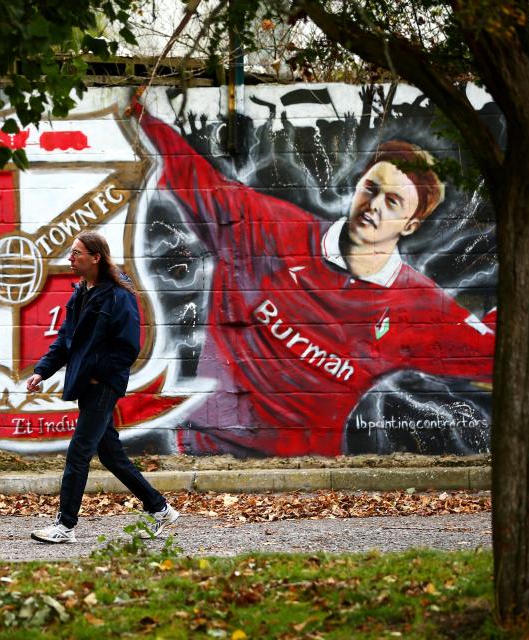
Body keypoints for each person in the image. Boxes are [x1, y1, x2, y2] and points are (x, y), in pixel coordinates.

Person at [129, 96, 496, 458]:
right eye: (372, 188)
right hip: (202, 446)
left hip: (310, 465)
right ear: (358, 184)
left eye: (393, 203)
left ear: (412, 223)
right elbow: (191, 174)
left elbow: (493, 352)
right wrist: (135, 110)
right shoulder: (265, 227)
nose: (374, 206)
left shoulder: (418, 304)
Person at [26, 230, 180, 543]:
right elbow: (65, 340)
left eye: (76, 253)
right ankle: (160, 508)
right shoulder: (82, 292)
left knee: (79, 452)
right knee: (110, 455)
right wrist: (42, 371)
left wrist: (98, 374)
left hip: (102, 385)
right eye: (71, 253)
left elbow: (127, 348)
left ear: (96, 257)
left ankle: (65, 526)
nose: (71, 258)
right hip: (88, 384)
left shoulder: (118, 295)